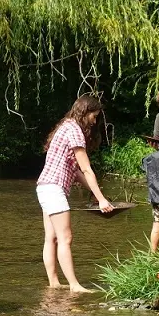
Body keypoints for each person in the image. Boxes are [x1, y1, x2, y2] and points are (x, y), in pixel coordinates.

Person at [36, 95, 113, 293]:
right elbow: (86, 169)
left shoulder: (66, 126)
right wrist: (102, 199)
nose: (95, 121)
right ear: (85, 112)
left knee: (51, 238)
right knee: (65, 238)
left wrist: (97, 194)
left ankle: (54, 283)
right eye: (94, 116)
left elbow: (76, 172)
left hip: (45, 186)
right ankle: (74, 285)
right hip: (53, 188)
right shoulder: (75, 131)